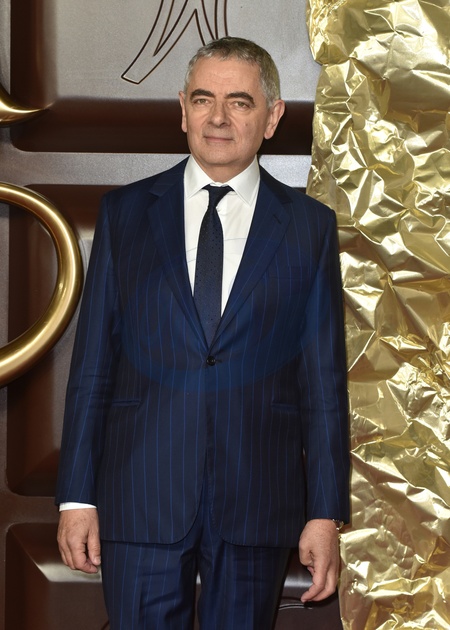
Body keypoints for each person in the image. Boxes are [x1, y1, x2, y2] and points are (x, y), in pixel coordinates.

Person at [56, 36, 350, 630]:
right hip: (141, 496)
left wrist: (325, 513)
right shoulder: (125, 214)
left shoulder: (309, 228)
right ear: (182, 110)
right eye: (202, 99)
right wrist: (76, 497)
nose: (218, 117)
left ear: (272, 117)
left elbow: (323, 383)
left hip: (257, 503)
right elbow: (92, 367)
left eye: (240, 102)